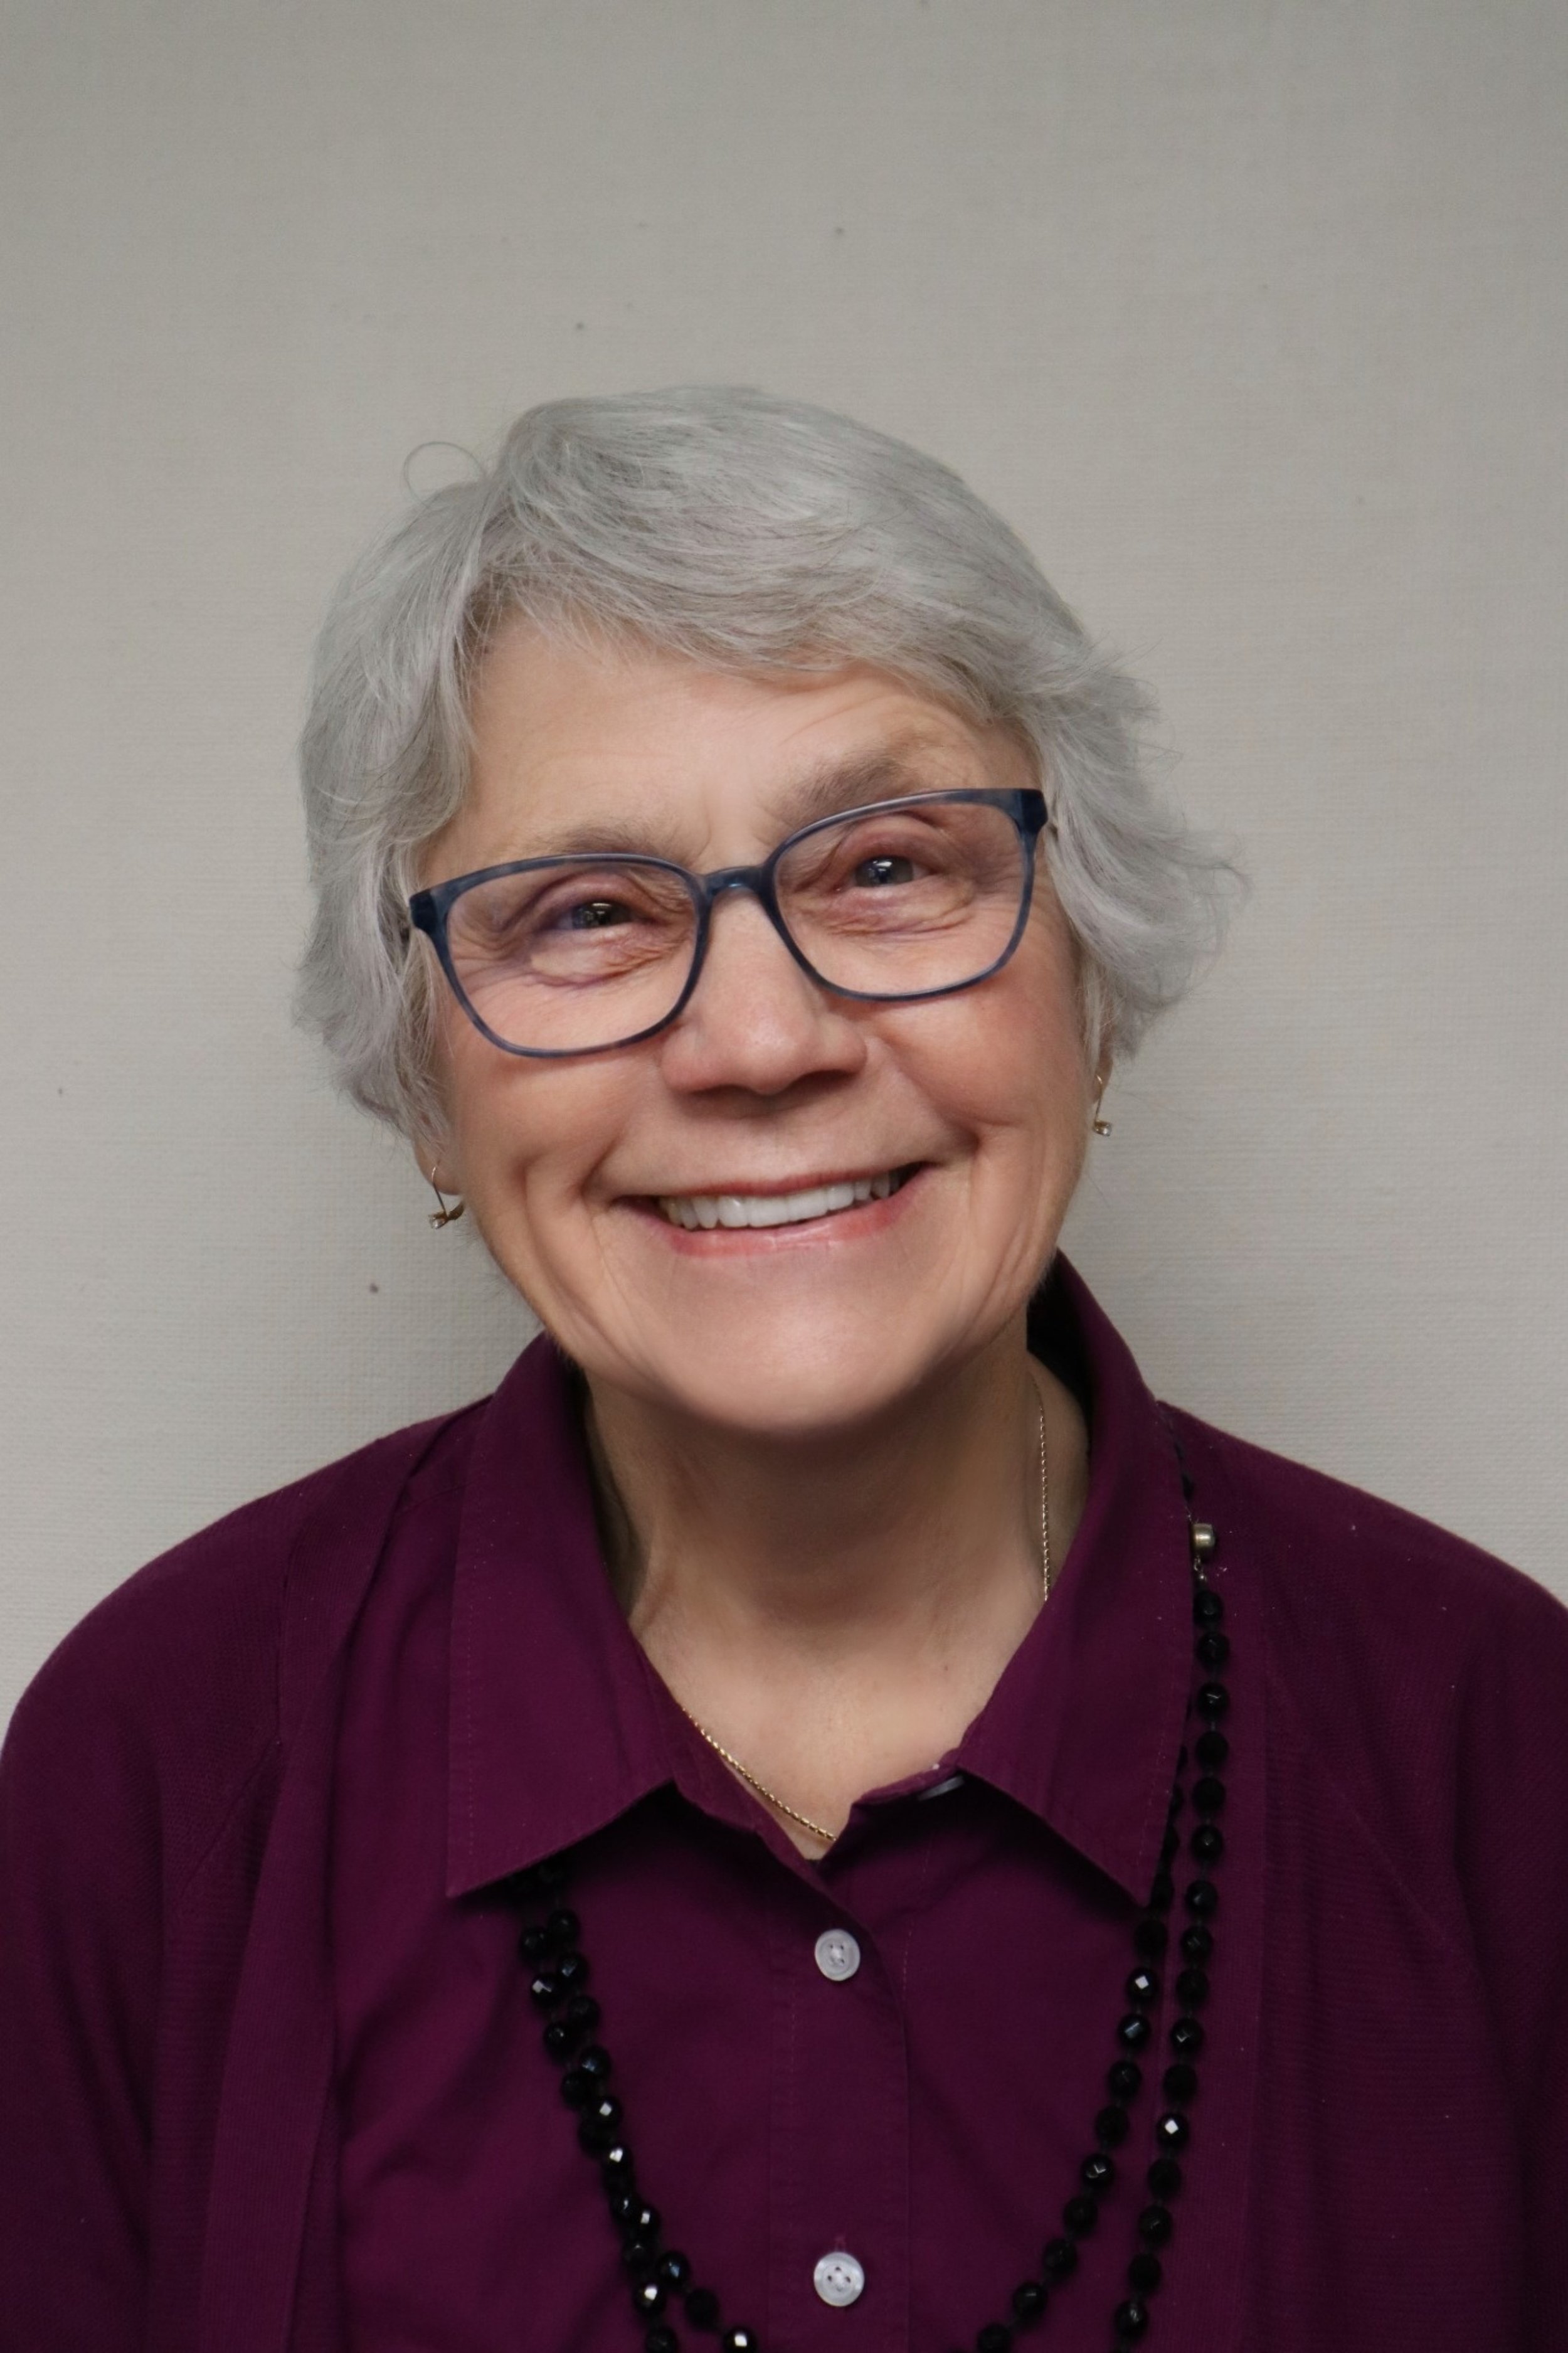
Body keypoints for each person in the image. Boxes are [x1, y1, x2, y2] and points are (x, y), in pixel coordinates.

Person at [2, 387, 1564, 2353]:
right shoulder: (158, 1761)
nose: (759, 1042)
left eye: (887, 868)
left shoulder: (1499, 1754)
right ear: (427, 1081)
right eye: (585, 911)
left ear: (1088, 974)